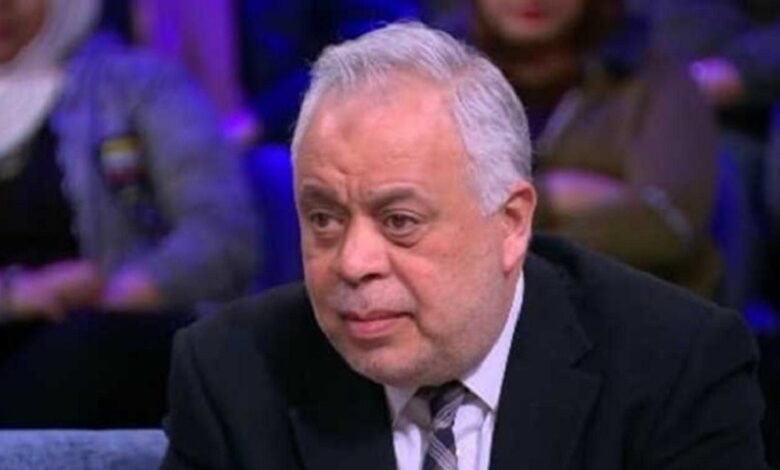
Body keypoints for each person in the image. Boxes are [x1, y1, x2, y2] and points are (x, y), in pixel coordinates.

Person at [162, 22, 768, 469]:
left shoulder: (672, 367)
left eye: (400, 221)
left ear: (511, 223)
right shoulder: (232, 375)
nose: (353, 262)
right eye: (323, 219)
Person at [0, 0, 256, 426]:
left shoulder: (139, 85)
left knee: (89, 351)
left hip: (104, 331)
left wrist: (110, 291)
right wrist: (16, 296)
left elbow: (222, 236)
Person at [467, 0, 720, 298]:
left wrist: (511, 216)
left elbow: (668, 224)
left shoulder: (654, 78)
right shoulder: (443, 74)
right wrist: (553, 195)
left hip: (623, 306)